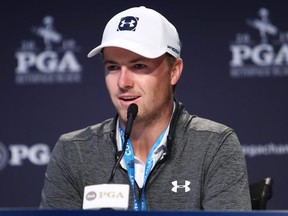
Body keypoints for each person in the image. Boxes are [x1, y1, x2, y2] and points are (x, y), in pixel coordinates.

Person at [40, 6, 251, 210]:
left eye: (139, 66)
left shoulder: (214, 146)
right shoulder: (74, 151)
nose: (123, 82)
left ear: (174, 71)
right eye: (113, 67)